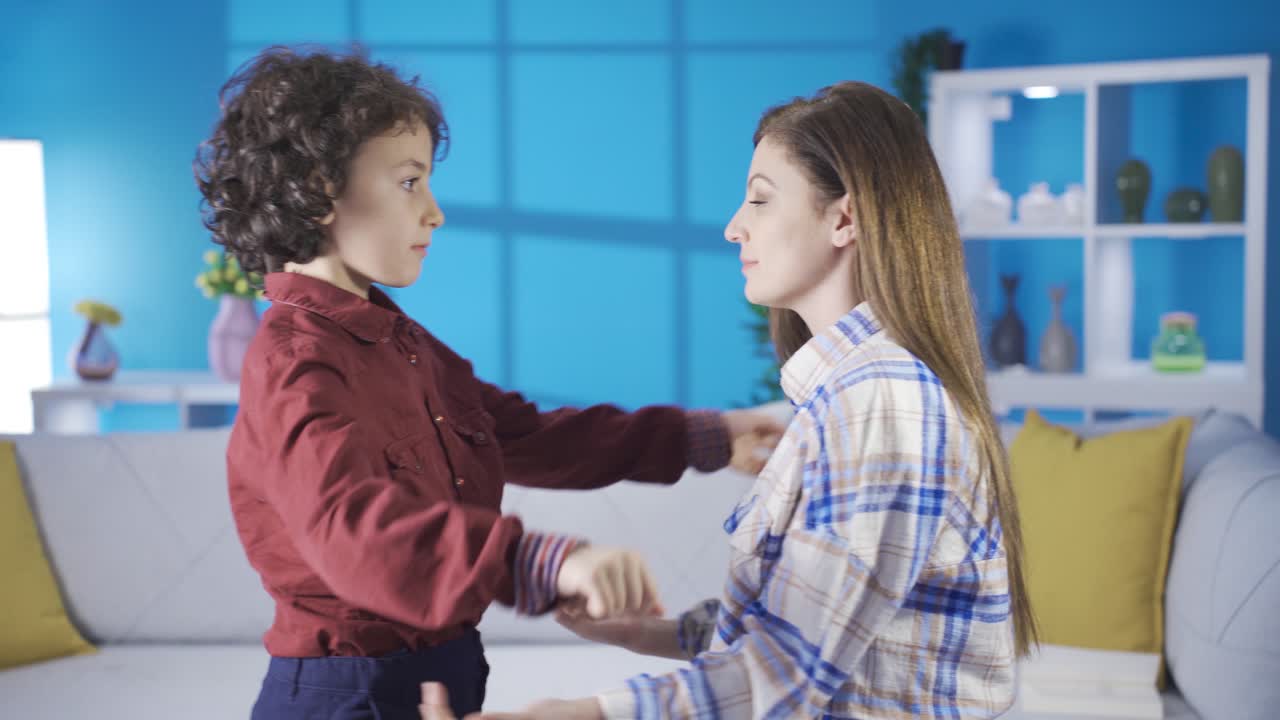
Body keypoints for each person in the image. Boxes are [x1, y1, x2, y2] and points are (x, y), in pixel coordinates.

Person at [193, 47, 784, 720]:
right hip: (344, 692)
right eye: (410, 182)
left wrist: (702, 437)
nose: (434, 212)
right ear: (320, 188)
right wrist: (536, 562)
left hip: (440, 671)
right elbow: (353, 531)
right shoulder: (293, 362)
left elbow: (530, 436)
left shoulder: (401, 343)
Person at [452, 80, 1040, 719]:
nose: (735, 227)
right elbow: (829, 633)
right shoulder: (849, 397)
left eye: (760, 200)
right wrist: (649, 634)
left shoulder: (883, 404)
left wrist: (577, 714)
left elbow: (791, 672)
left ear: (845, 217)